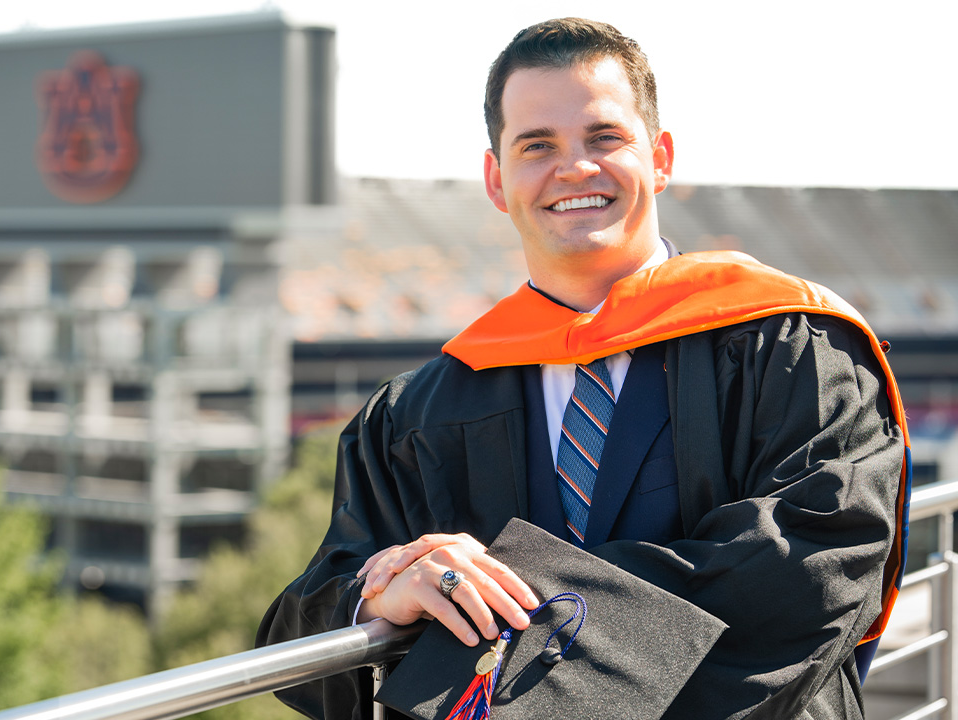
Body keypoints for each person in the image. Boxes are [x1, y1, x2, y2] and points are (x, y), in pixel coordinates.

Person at [257, 17, 909, 720]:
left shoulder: (788, 344)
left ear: (659, 158)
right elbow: (301, 634)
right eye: (537, 146)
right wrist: (381, 591)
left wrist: (526, 626)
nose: (573, 168)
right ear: (496, 178)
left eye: (605, 138)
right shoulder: (418, 411)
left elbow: (814, 569)